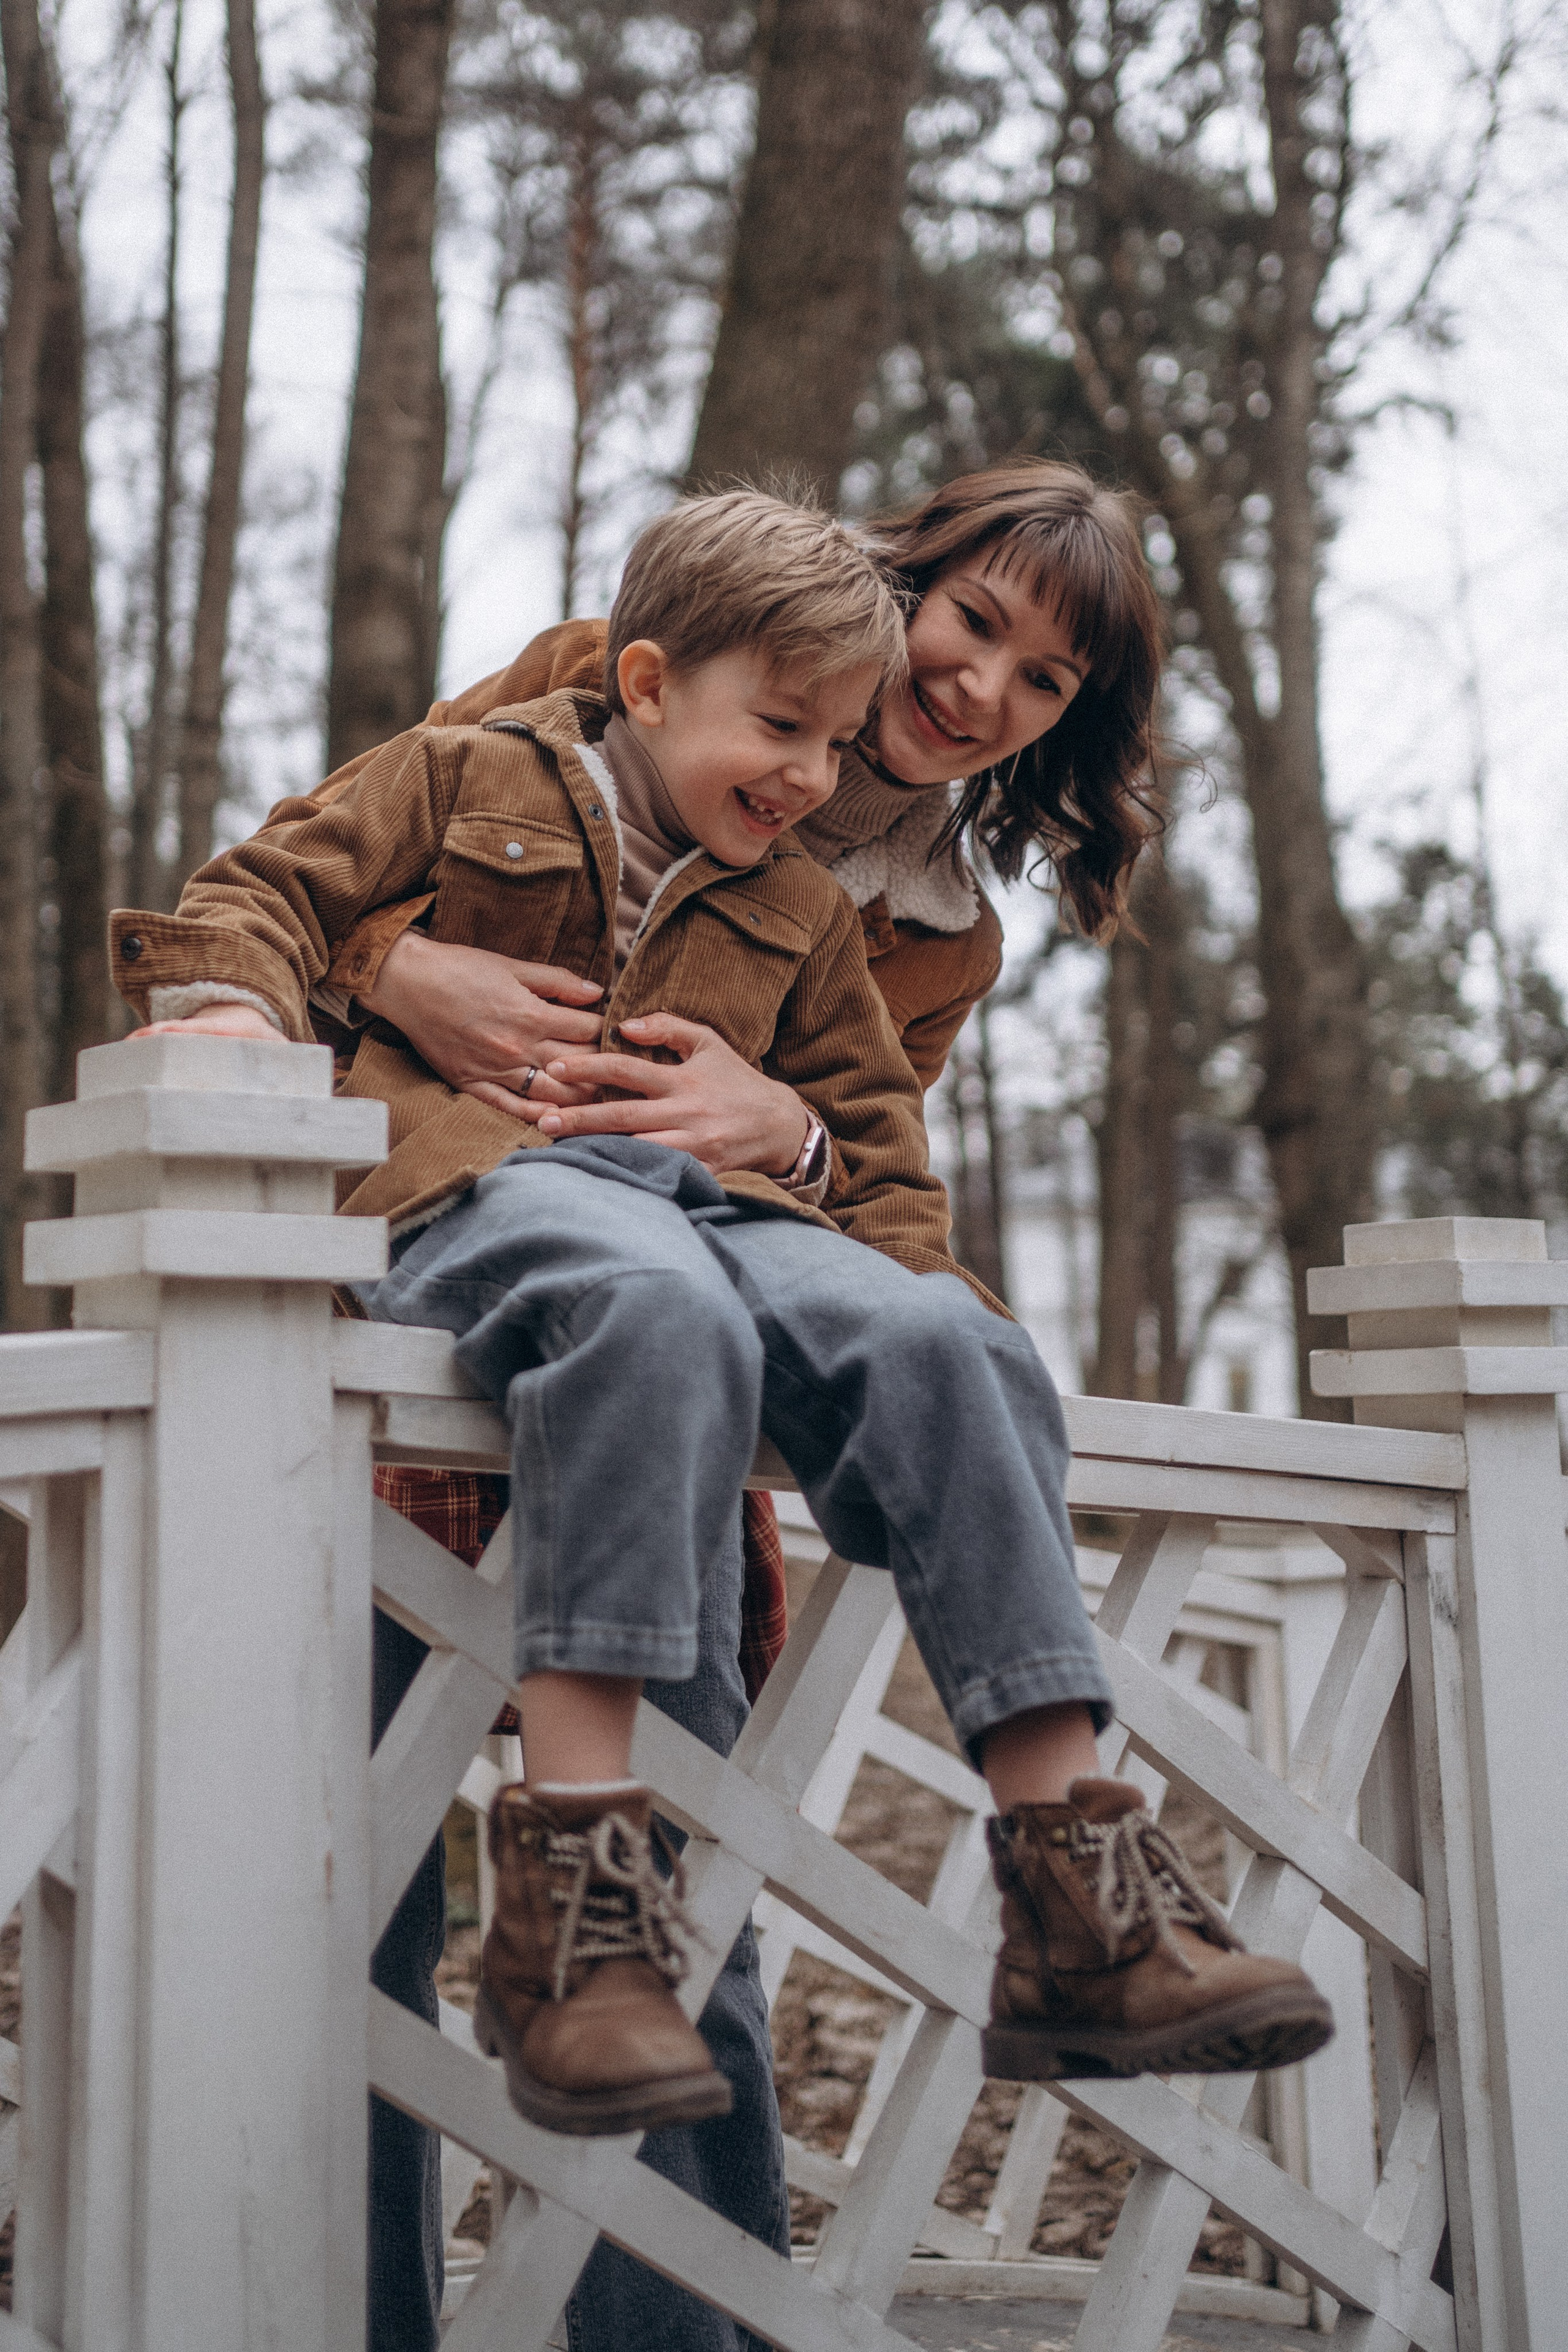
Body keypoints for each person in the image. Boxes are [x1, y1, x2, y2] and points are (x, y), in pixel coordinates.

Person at [113, 482, 1331, 2350]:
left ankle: (1071, 1886)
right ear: (879, 591)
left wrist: (803, 1135)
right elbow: (313, 878)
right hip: (441, 1304)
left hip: (687, 1349)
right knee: (334, 1879)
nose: (983, 687)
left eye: (1046, 677)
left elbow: (878, 1183)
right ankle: (331, 2313)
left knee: (917, 1405)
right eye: (974, 623)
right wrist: (362, 979)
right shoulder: (566, 710)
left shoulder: (903, 925)